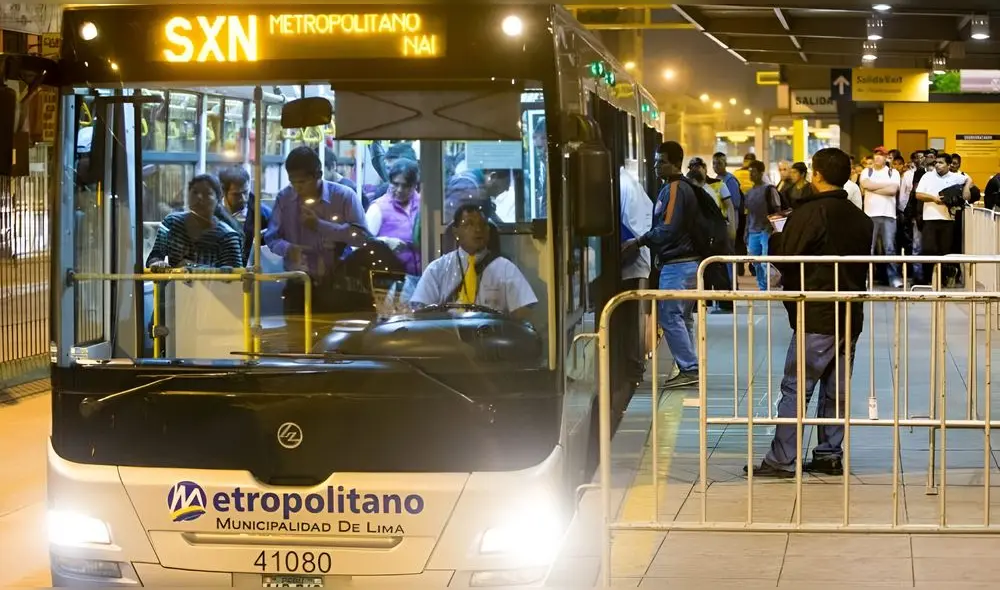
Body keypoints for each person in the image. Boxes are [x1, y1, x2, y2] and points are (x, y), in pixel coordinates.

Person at [746, 147, 874, 478]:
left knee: (796, 387)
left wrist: (778, 237)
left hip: (816, 314)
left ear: (816, 174)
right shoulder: (860, 218)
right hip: (850, 314)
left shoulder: (810, 214)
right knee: (836, 389)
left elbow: (786, 254)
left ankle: (782, 459)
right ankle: (829, 454)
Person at [265, 146, 369, 349]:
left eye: (302, 182)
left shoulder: (344, 196)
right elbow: (271, 238)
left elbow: (362, 237)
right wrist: (289, 249)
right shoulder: (284, 199)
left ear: (318, 174)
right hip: (298, 284)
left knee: (335, 346)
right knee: (297, 345)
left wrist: (321, 226)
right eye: (292, 182)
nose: (297, 188)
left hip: (337, 284)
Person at [621, 141, 699, 388]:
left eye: (661, 161)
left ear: (676, 163)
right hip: (686, 264)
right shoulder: (676, 188)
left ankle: (689, 368)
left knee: (669, 316)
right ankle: (689, 365)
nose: (656, 166)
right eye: (656, 161)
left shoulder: (675, 189)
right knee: (682, 317)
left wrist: (639, 241)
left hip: (678, 264)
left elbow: (668, 229)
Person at [410, 202, 537, 321]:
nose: (477, 230)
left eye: (482, 225)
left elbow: (525, 309)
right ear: (456, 232)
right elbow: (421, 310)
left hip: (489, 339)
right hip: (449, 340)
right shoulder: (438, 269)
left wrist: (504, 328)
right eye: (469, 224)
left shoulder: (504, 268)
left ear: (488, 230)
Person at [146, 174, 243, 270]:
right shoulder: (172, 222)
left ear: (218, 198)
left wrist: (193, 267)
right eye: (195, 192)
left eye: (207, 193)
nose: (199, 197)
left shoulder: (228, 236)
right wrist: (157, 263)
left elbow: (234, 277)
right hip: (174, 285)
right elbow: (154, 256)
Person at [914, 152, 971, 287]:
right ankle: (929, 278)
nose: (937, 166)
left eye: (941, 163)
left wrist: (967, 186)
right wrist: (934, 199)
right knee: (929, 250)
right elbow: (918, 194)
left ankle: (942, 279)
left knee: (945, 252)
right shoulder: (927, 176)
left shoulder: (956, 177)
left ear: (949, 165)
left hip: (948, 220)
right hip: (930, 218)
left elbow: (969, 183)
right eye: (936, 163)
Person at [365, 158, 422, 276]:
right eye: (396, 184)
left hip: (421, 277)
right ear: (390, 182)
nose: (400, 190)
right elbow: (363, 243)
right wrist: (385, 242)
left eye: (406, 186)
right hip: (388, 279)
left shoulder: (424, 205)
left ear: (414, 185)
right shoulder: (378, 208)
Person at [860, 147, 903, 288]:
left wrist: (873, 187)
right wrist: (884, 186)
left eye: (881, 155)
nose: (878, 158)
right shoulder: (867, 171)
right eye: (876, 155)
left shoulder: (893, 172)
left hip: (888, 215)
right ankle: (866, 279)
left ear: (886, 158)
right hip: (869, 215)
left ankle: (894, 278)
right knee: (868, 248)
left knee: (890, 248)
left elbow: (892, 191)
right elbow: (865, 184)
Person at [219, 165, 271, 266]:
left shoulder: (263, 215)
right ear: (223, 191)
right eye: (236, 194)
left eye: (245, 192)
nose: (243, 198)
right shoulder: (212, 213)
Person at [744, 160, 782, 291]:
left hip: (767, 230)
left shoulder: (769, 190)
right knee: (756, 262)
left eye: (753, 172)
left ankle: (773, 283)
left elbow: (778, 209)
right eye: (750, 173)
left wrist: (772, 227)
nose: (751, 175)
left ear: (761, 173)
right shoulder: (749, 193)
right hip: (753, 230)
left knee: (766, 260)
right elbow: (748, 214)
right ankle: (762, 287)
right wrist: (746, 232)